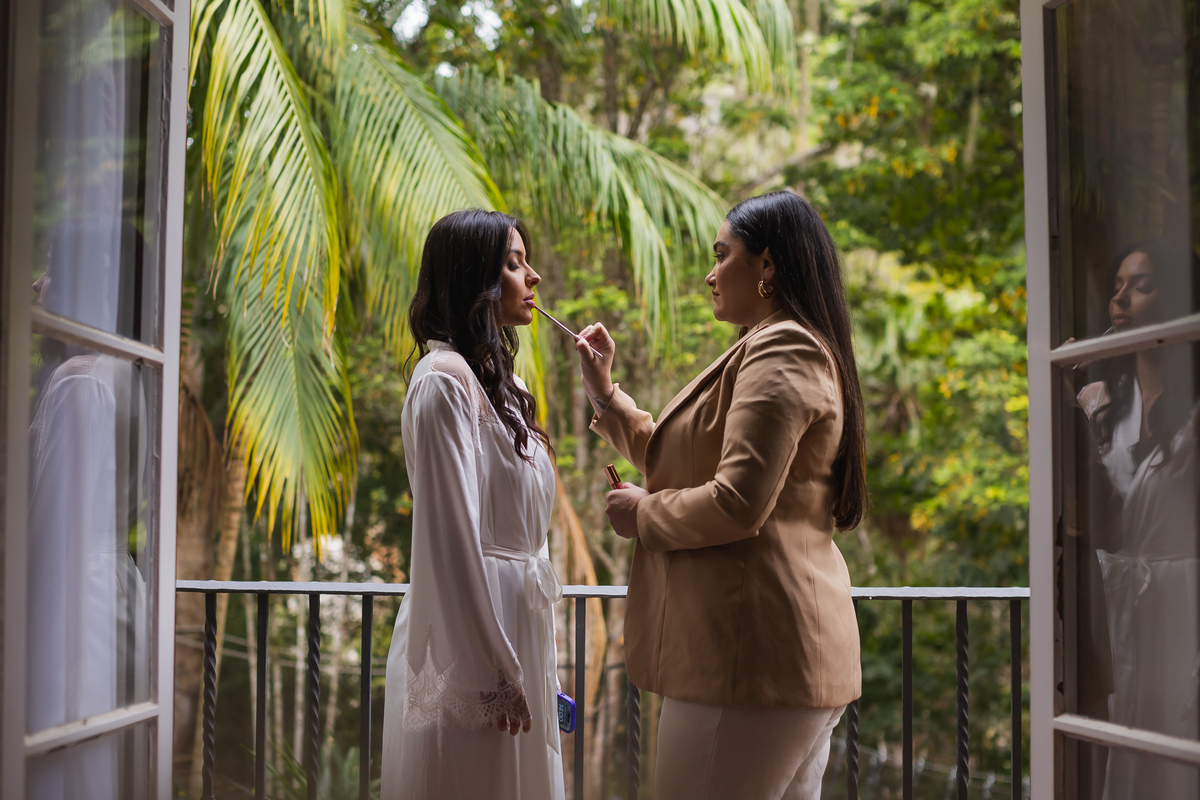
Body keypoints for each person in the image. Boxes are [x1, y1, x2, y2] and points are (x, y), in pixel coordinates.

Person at [575, 190, 866, 800]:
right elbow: (682, 453)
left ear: (767, 267)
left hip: (752, 663)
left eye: (721, 254)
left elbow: (738, 502)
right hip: (771, 663)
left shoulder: (782, 347)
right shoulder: (766, 345)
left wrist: (643, 513)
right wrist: (606, 393)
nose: (710, 274)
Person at [381, 209, 565, 800]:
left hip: (517, 621)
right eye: (514, 264)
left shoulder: (499, 387)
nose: (532, 276)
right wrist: (491, 667)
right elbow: (449, 537)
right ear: (474, 281)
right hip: (473, 633)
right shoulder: (442, 381)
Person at [1075, 241, 1200, 799]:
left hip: (1182, 606)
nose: (1120, 297)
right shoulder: (1100, 400)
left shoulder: (1193, 413)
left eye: (1142, 285)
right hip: (1110, 606)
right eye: (1118, 285)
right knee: (1118, 757)